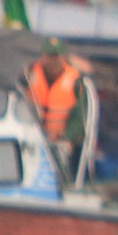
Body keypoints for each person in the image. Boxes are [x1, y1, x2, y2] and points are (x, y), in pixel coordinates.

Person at [22, 41, 93, 177]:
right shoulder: (28, 75)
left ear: (64, 58)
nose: (53, 61)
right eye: (49, 56)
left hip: (61, 144)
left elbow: (80, 117)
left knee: (60, 173)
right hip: (32, 138)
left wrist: (67, 136)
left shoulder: (76, 82)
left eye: (57, 57)